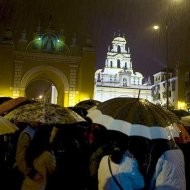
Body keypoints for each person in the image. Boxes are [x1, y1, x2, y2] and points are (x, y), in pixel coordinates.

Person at [21, 126, 56, 190]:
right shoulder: (47, 154)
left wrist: (31, 173)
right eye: (51, 135)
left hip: (27, 183)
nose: (52, 137)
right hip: (38, 185)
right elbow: (52, 169)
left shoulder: (31, 148)